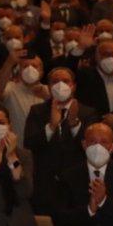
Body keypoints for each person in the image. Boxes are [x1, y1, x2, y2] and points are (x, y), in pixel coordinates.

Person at [23, 66, 97, 216]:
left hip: (77, 185)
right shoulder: (37, 111)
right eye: (55, 81)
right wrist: (51, 126)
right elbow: (29, 143)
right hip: (45, 184)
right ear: (49, 86)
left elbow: (92, 148)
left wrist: (74, 124)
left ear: (73, 86)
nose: (60, 85)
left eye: (65, 81)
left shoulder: (88, 113)